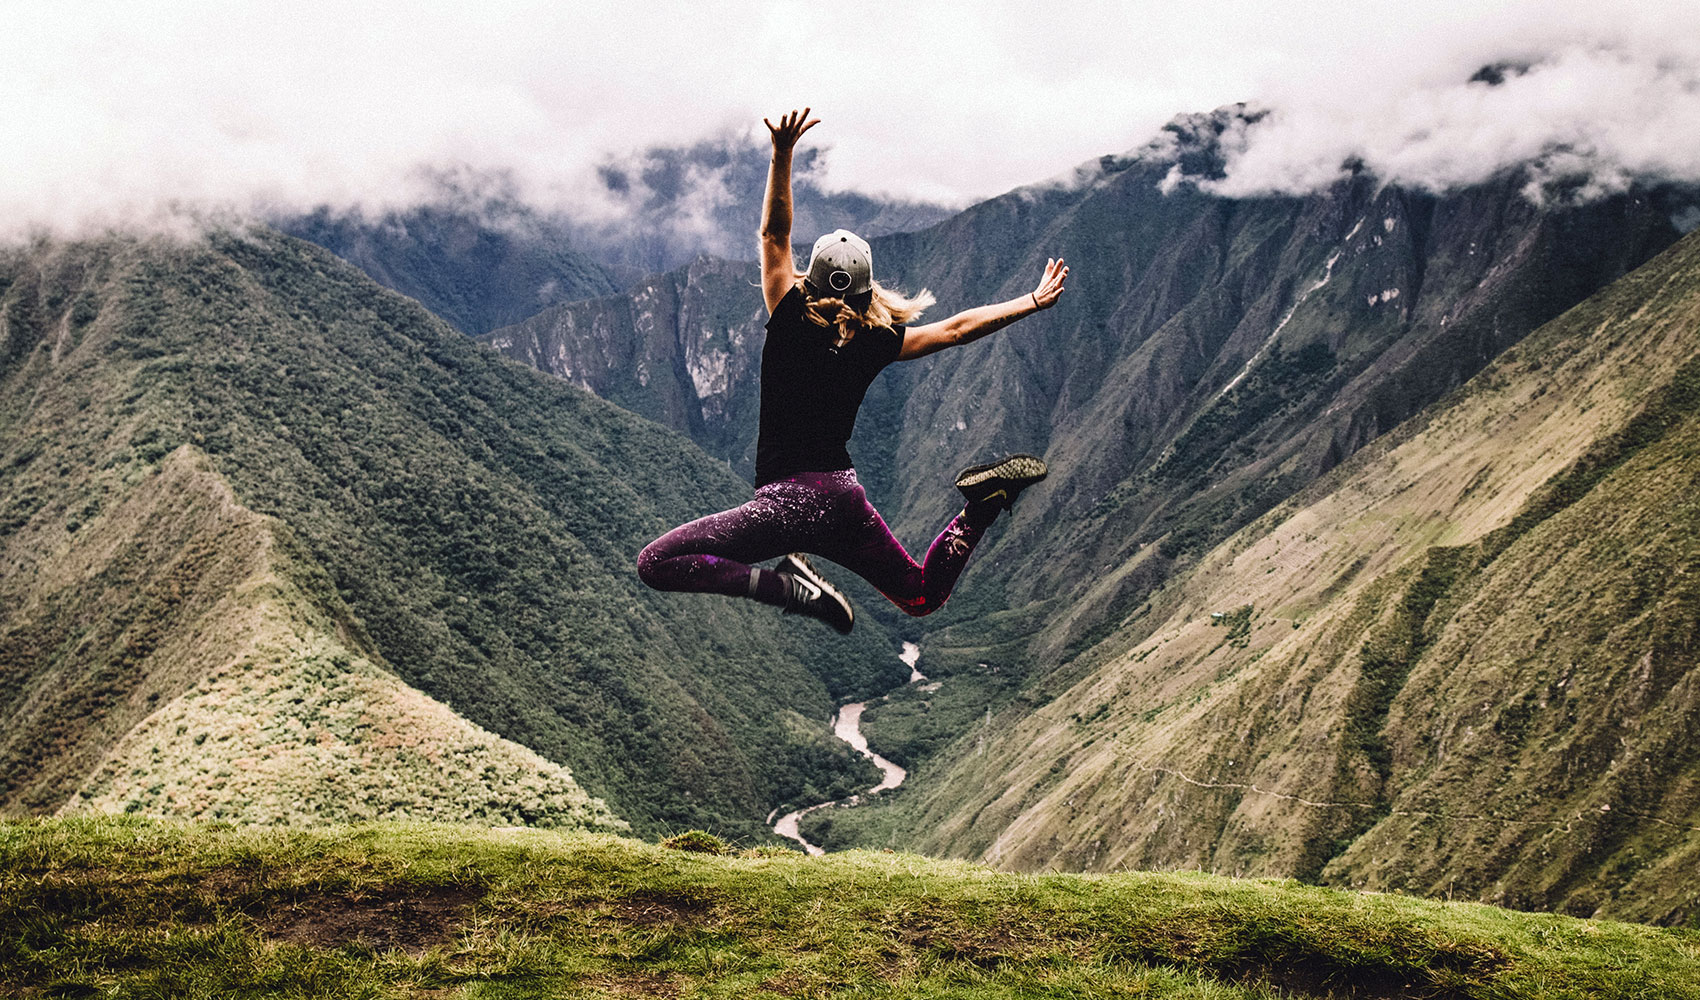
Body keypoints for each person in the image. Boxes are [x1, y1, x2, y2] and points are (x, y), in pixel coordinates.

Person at [636, 108, 1068, 634]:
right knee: (921, 595)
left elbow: (774, 234)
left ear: (809, 279)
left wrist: (782, 152)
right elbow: (955, 329)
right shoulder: (877, 339)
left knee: (656, 564)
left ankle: (787, 588)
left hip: (786, 505)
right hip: (843, 499)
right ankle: (980, 509)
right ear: (868, 289)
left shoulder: (789, 314)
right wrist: (1030, 300)